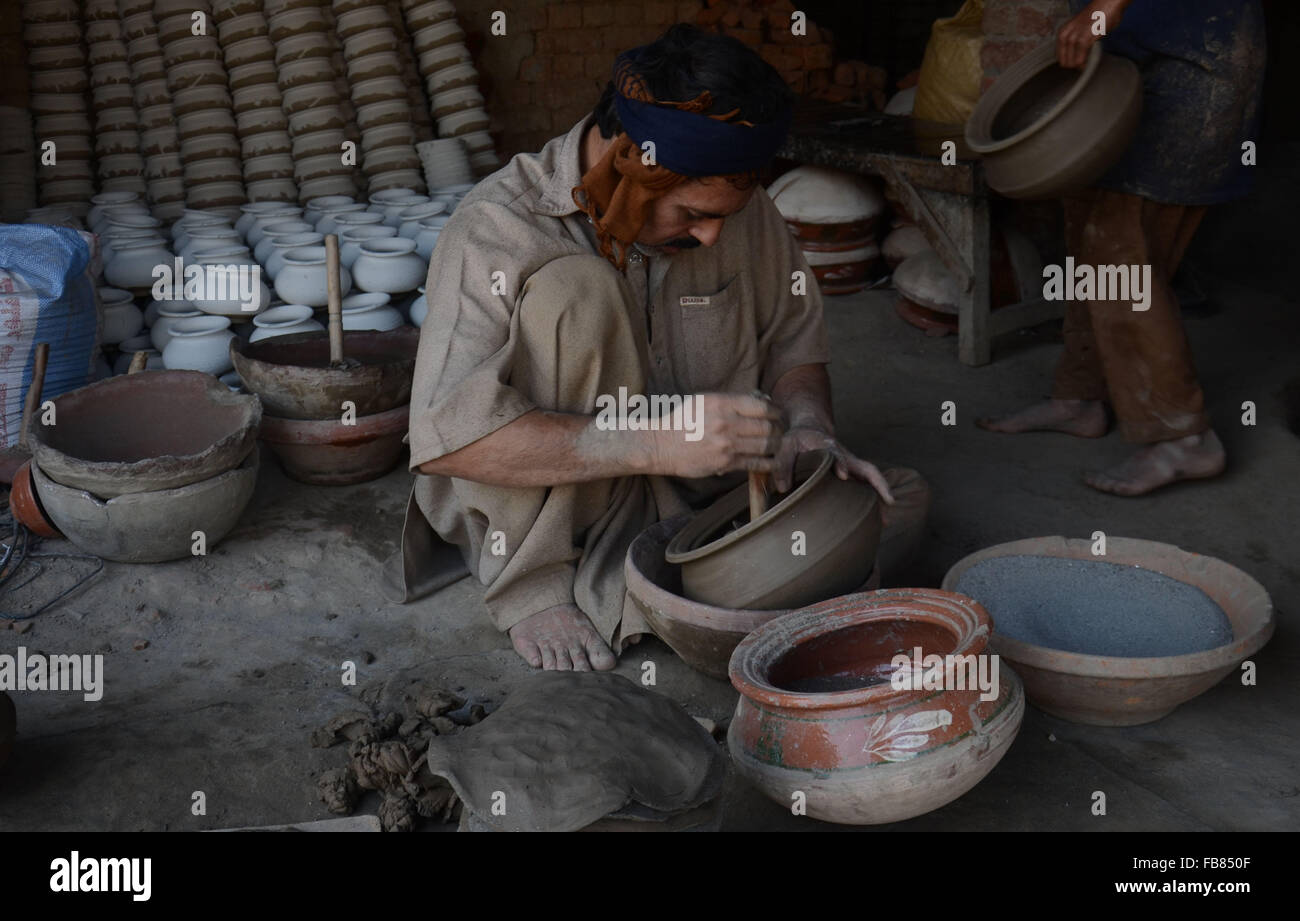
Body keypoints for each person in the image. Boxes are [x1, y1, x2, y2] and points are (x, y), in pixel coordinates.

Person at [386, 25, 929, 671]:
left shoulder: (736, 211)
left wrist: (811, 429)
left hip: (696, 488)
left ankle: (697, 586)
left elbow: (794, 344)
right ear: (626, 164)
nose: (710, 235)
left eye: (724, 213)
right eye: (692, 214)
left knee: (897, 500)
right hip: (553, 514)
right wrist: (653, 439)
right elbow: (451, 437)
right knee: (577, 290)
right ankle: (535, 585)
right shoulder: (495, 229)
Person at [978, 0, 1266, 495]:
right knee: (1089, 225)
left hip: (1194, 62)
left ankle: (1185, 436)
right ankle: (1081, 397)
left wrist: (1105, 7)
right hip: (1129, 57)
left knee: (1119, 253)